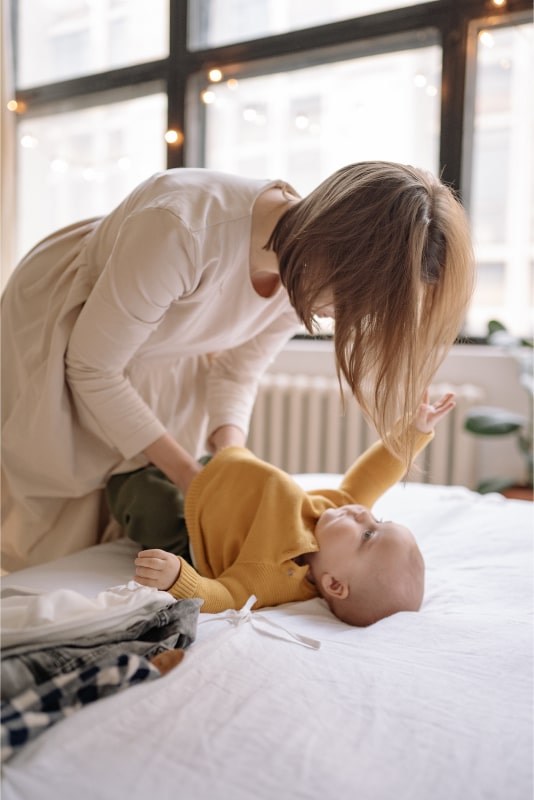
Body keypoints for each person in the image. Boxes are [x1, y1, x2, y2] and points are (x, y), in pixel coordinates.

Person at [1, 162, 474, 572]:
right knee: (51, 527)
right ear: (336, 247)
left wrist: (232, 461)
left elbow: (236, 371)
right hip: (65, 328)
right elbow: (92, 368)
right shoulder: (181, 227)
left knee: (120, 515)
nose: (344, 317)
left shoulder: (307, 269)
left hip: (160, 352)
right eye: (353, 300)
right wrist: (194, 480)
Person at [127, 391, 454, 627]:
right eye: (378, 519)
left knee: (143, 499)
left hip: (194, 531)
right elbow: (372, 478)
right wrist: (413, 433)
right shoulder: (338, 509)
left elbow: (226, 595)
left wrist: (179, 577)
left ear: (334, 585)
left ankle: (128, 484)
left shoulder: (275, 576)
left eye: (367, 534)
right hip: (223, 476)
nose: (363, 513)